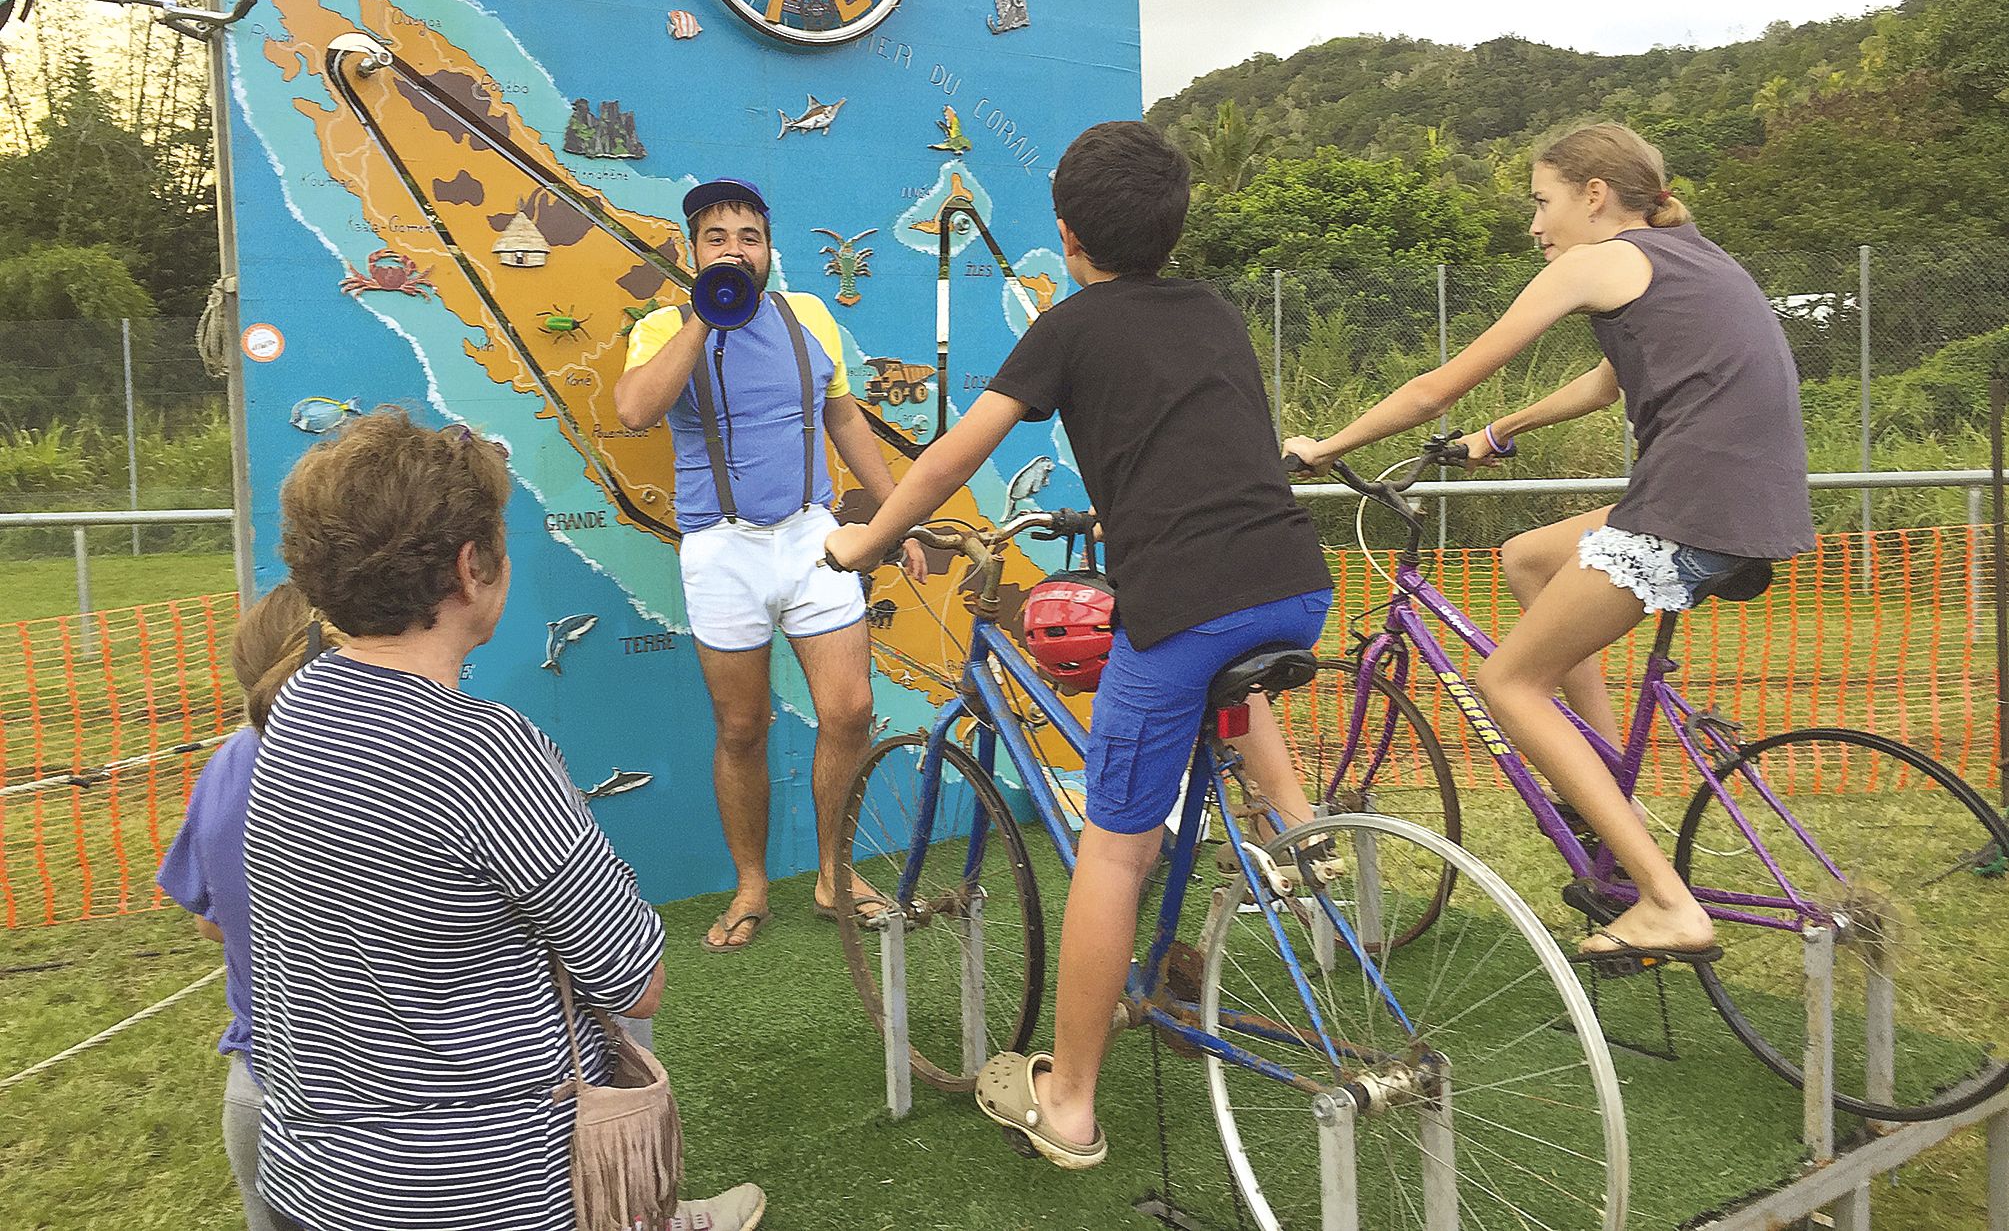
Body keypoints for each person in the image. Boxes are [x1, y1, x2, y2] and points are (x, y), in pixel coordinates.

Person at [824, 121, 1334, 1168]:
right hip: (1293, 585)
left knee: (1114, 843)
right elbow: (1197, 446)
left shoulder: (1066, 327)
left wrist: (864, 540)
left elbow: (940, 464)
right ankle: (1288, 839)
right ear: (1173, 223)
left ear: (1064, 232)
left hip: (1187, 604)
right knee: (1204, 695)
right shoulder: (1212, 312)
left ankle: (1068, 1108)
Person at [1285, 122, 1814, 969]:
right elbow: (1608, 383)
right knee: (1529, 555)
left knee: (1506, 679)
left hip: (1691, 505)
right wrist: (1501, 430)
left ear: (1593, 193)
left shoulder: (1594, 261)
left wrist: (1325, 447)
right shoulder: (1691, 255)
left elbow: (1432, 390)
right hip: (1746, 502)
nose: (1535, 226)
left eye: (1541, 201)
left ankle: (1668, 905)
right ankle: (1609, 787)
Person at [244, 410, 763, 1231]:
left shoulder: (298, 701)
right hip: (485, 1187)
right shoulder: (486, 750)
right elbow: (636, 976)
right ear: (470, 566)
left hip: (318, 1177)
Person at [615, 179, 926, 954]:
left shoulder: (808, 316)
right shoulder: (661, 326)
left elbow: (844, 416)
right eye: (716, 237)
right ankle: (752, 885)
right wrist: (703, 315)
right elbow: (633, 410)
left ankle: (834, 872)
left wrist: (895, 518)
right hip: (721, 548)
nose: (734, 249)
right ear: (692, 250)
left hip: (811, 536)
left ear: (768, 247)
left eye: (748, 236)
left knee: (850, 710)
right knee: (743, 726)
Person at [157, 581, 340, 1231]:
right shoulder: (394, 759)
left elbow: (208, 919)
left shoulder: (227, 762)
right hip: (377, 1110)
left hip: (260, 1086)